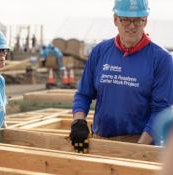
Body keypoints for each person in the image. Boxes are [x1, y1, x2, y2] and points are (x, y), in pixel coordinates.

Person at [70, 0, 173, 152]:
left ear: (145, 21)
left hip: (141, 142)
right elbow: (84, 94)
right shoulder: (100, 52)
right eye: (125, 19)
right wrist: (78, 121)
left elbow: (161, 111)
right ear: (115, 19)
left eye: (138, 20)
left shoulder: (161, 59)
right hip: (100, 142)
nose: (132, 26)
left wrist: (139, 150)